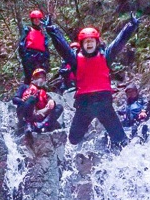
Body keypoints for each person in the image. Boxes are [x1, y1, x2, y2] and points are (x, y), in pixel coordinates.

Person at [45, 15, 139, 148]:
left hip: (104, 105)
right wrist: (52, 30)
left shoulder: (106, 56)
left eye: (91, 41)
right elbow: (63, 48)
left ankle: (126, 148)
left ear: (96, 43)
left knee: (120, 139)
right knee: (73, 139)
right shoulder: (75, 60)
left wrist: (131, 26)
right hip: (85, 106)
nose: (89, 44)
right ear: (82, 44)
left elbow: (119, 43)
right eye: (86, 42)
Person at [12, 68, 63, 133]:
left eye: (42, 78)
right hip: (26, 112)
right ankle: (28, 125)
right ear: (32, 78)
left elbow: (50, 101)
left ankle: (43, 125)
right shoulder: (24, 87)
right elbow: (15, 99)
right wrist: (23, 101)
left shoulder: (43, 92)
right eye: (38, 77)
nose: (40, 79)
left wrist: (52, 102)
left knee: (59, 107)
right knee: (32, 99)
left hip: (39, 114)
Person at [18, 10, 51, 84]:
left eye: (38, 19)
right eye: (35, 19)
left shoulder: (43, 32)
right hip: (30, 56)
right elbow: (22, 44)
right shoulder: (28, 30)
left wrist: (47, 59)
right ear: (32, 20)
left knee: (41, 77)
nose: (37, 21)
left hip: (41, 57)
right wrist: (24, 57)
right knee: (29, 77)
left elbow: (45, 47)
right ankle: (27, 91)